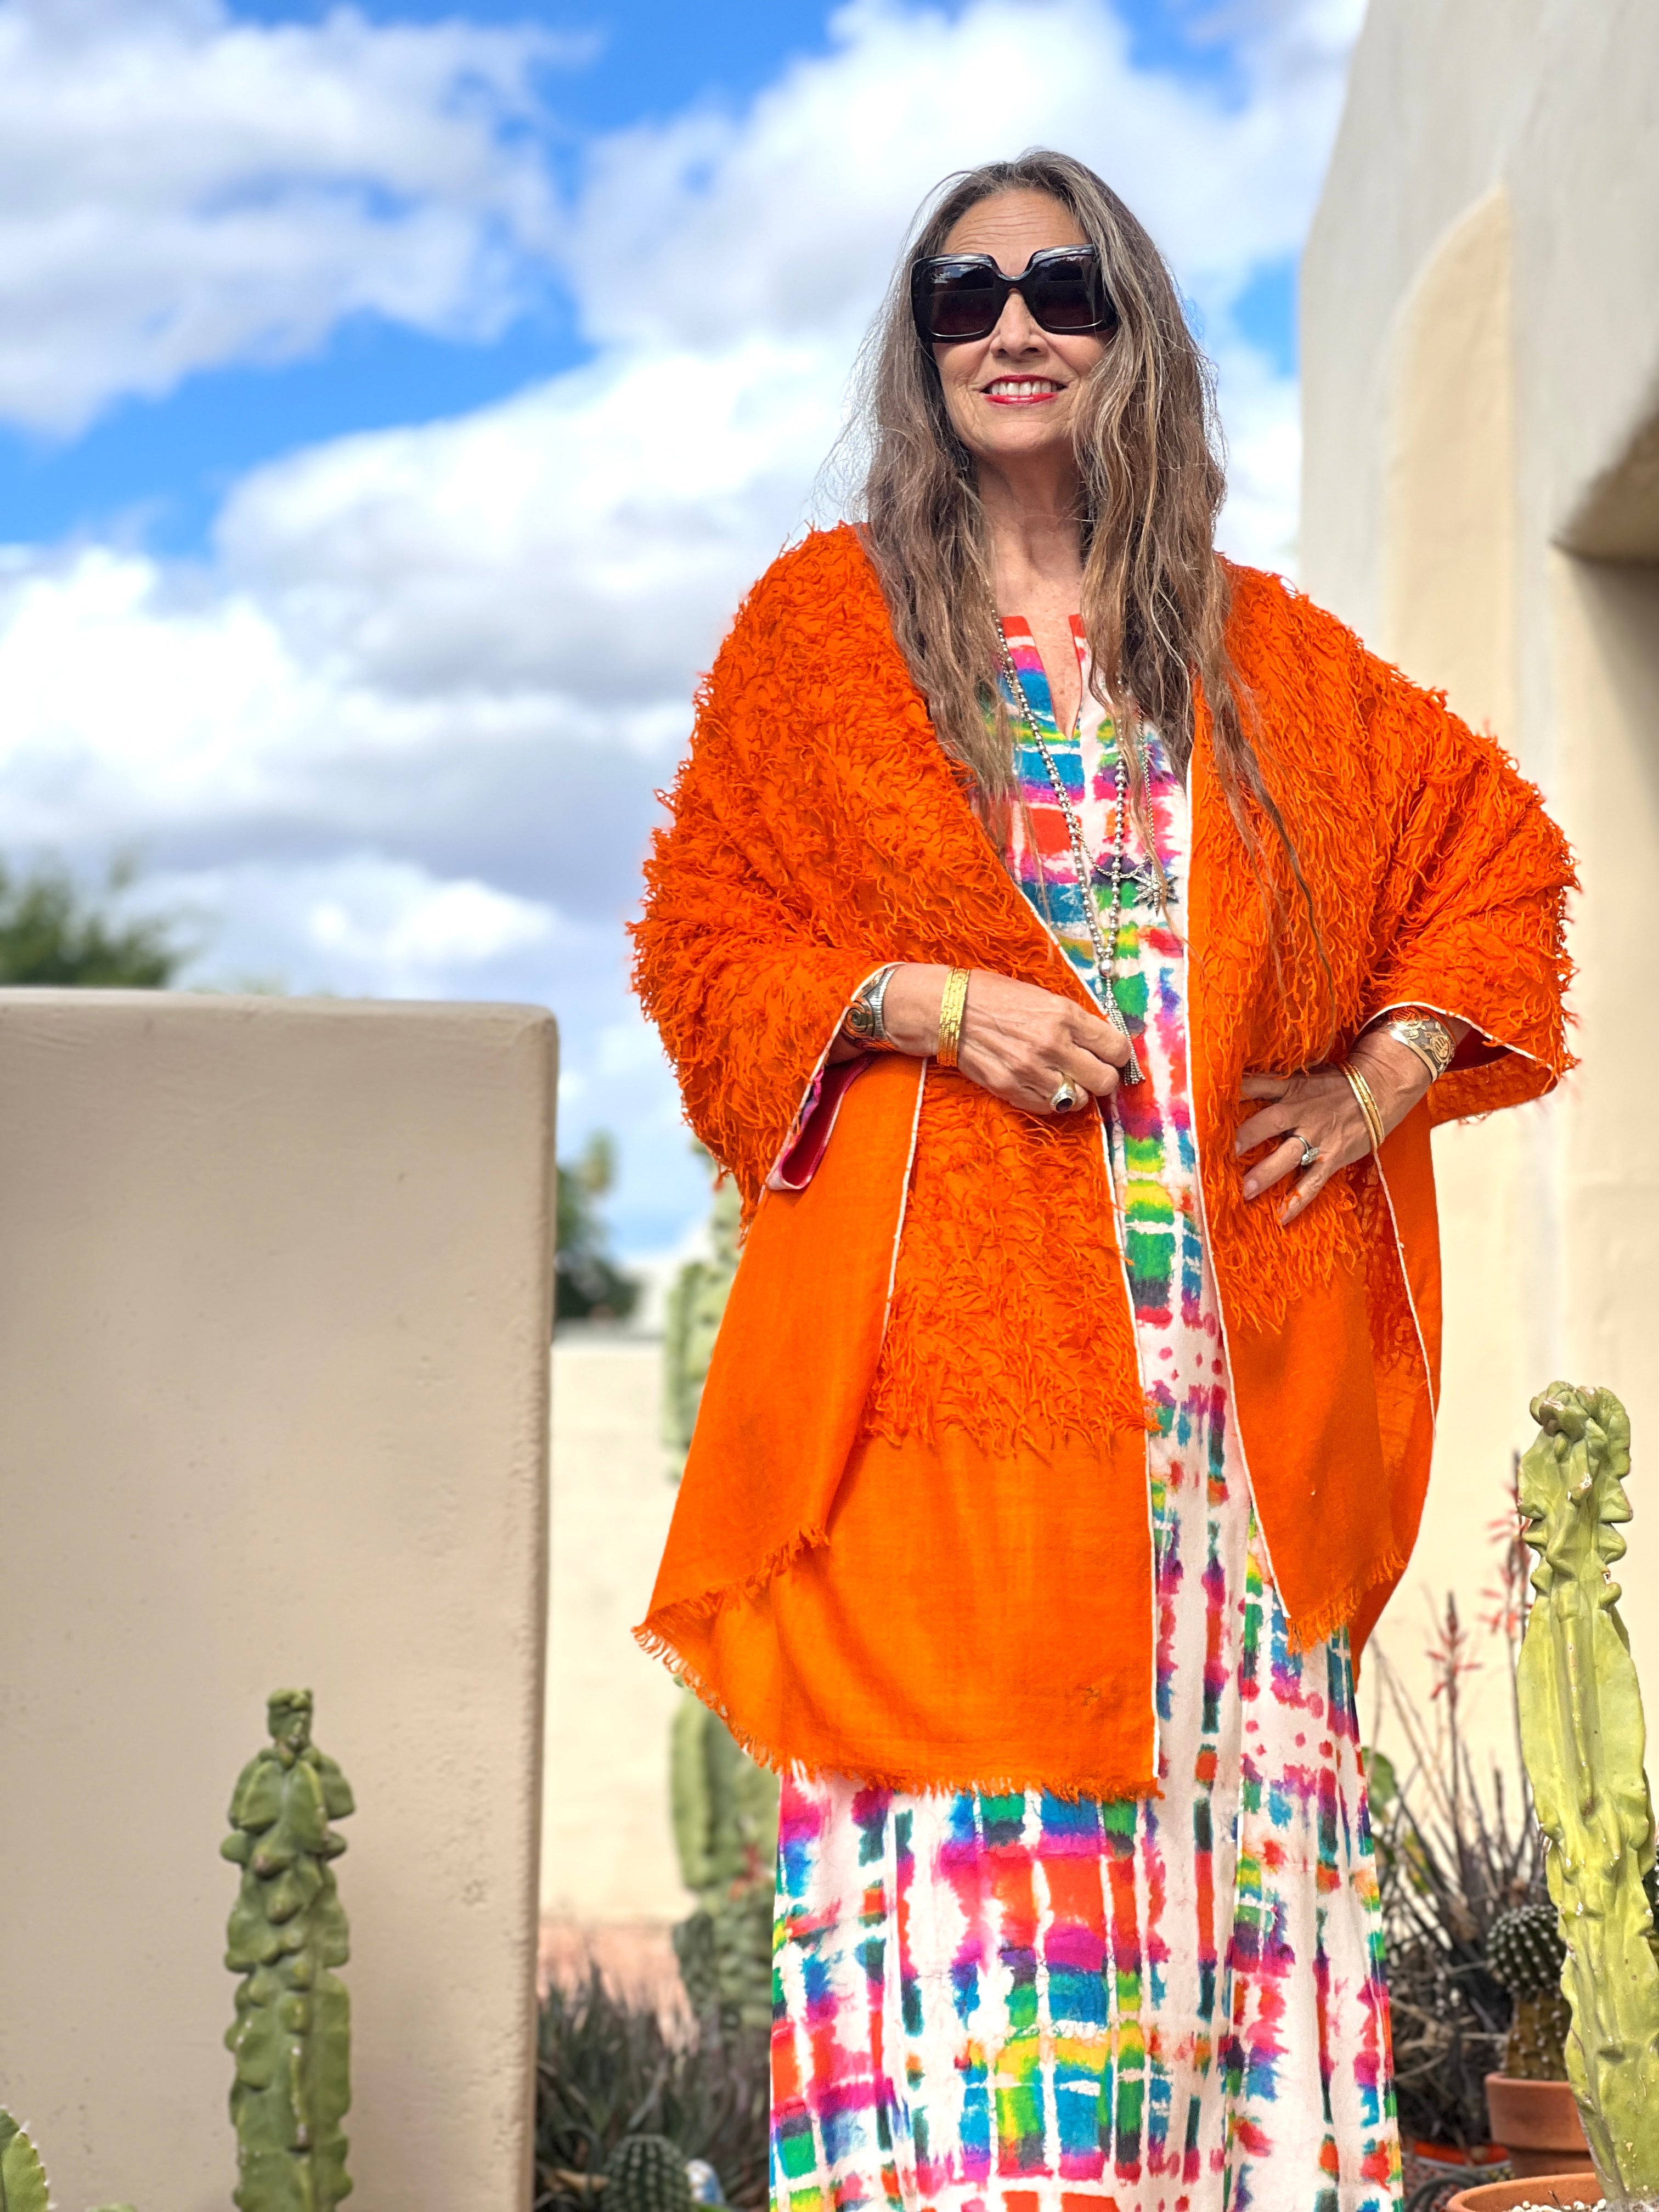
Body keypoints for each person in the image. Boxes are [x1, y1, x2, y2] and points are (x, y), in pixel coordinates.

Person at [632, 151, 1573, 2212]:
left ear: (1128, 331)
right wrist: (928, 1003)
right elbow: (700, 949)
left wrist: (1383, 1079)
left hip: (1220, 1419)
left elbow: (1499, 857)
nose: (1012, 328)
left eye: (1059, 288)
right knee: (973, 1897)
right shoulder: (826, 633)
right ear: (920, 352)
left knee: (1214, 1898)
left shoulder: (1255, 655)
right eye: (961, 297)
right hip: (955, 1403)